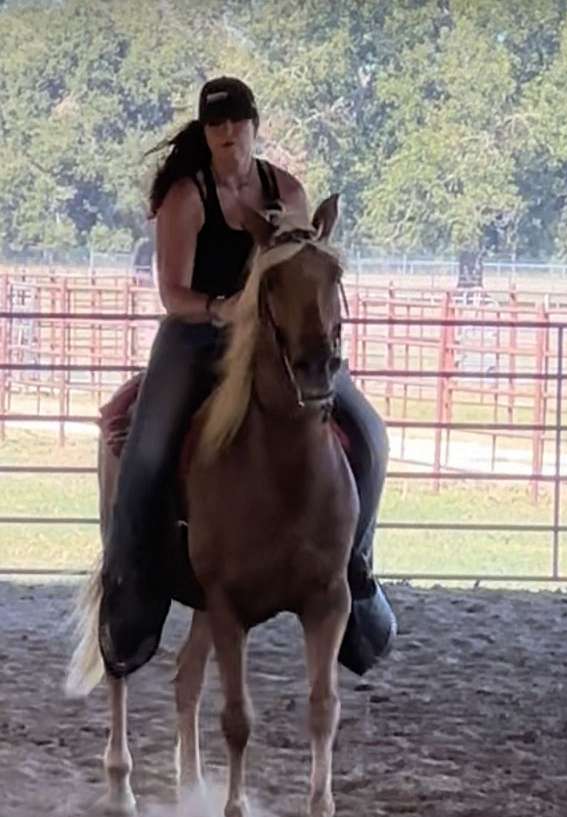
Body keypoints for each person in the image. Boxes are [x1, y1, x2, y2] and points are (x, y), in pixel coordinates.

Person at [99, 76, 396, 679]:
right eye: (216, 125)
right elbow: (172, 294)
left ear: (255, 126)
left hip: (273, 344)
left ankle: (356, 567)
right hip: (198, 335)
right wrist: (222, 308)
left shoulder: (283, 188)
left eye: (237, 122)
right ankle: (133, 580)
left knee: (369, 435)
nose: (227, 134)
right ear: (205, 132)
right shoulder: (187, 197)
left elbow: (301, 259)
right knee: (149, 449)